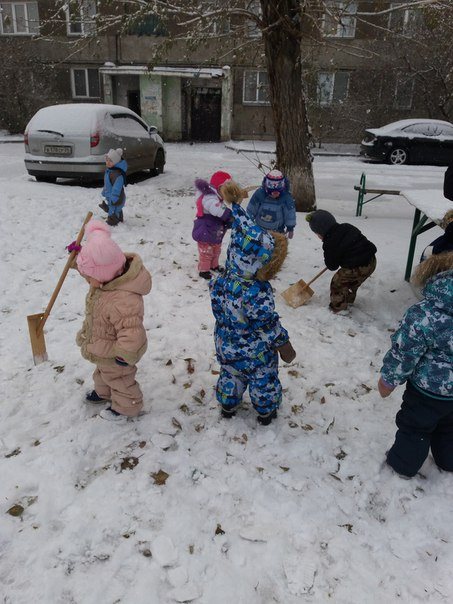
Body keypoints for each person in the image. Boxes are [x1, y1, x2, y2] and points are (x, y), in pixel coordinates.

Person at [209, 181, 296, 425]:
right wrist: (283, 342)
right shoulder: (256, 292)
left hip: (225, 344)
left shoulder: (221, 281)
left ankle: (228, 403)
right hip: (254, 352)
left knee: (231, 373)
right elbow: (265, 323)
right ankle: (266, 410)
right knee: (262, 379)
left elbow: (218, 308)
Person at [378, 252, 453, 478]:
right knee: (449, 427)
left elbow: (404, 352)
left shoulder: (424, 314)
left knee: (415, 428)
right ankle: (448, 461)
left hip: (427, 392)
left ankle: (403, 466)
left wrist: (388, 380)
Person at [72, 219, 151, 421]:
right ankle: (104, 393)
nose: (88, 281)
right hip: (102, 344)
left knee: (119, 379)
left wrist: (125, 354)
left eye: (90, 278)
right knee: (102, 372)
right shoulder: (106, 277)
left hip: (117, 352)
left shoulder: (123, 300)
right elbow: (91, 271)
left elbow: (132, 331)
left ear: (103, 276)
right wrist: (76, 255)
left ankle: (127, 407)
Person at [306, 209, 377, 313]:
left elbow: (332, 266)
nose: (318, 236)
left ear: (322, 231)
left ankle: (338, 308)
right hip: (371, 261)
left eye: (317, 233)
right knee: (351, 282)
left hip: (358, 266)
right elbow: (357, 242)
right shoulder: (347, 227)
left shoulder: (329, 243)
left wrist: (332, 256)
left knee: (338, 283)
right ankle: (348, 299)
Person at [192, 171, 233, 280]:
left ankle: (214, 265)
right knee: (206, 251)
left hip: (214, 229)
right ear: (219, 187)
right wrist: (229, 215)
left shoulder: (217, 197)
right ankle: (204, 270)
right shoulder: (209, 197)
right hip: (205, 228)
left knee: (216, 249)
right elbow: (217, 209)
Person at [246, 169, 296, 237]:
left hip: (277, 232)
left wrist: (290, 228)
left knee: (276, 247)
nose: (275, 195)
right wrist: (247, 222)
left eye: (277, 193)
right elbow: (251, 209)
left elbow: (290, 213)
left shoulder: (286, 197)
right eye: (272, 193)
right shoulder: (260, 194)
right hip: (259, 230)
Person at [99, 148, 127, 227]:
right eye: (107, 160)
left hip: (116, 196)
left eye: (110, 161)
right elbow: (107, 184)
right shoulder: (110, 171)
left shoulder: (117, 174)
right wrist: (104, 191)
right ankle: (119, 218)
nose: (107, 162)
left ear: (115, 162)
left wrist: (114, 198)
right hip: (110, 195)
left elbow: (117, 188)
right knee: (115, 208)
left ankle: (112, 222)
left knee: (113, 209)